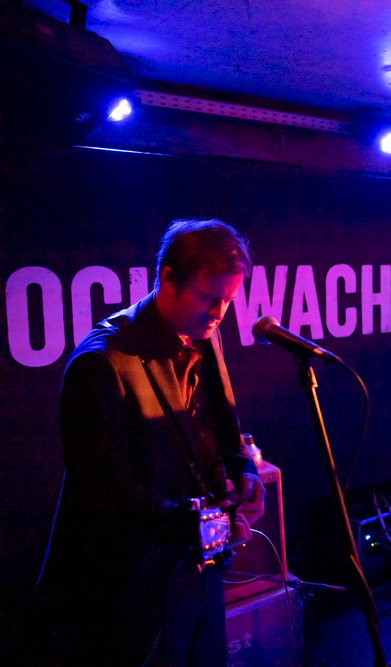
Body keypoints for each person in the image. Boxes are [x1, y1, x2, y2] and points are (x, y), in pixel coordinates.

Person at [36, 219, 265, 666]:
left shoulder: (205, 333)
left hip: (195, 568)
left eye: (229, 301)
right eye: (210, 298)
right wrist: (200, 528)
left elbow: (223, 421)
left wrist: (244, 469)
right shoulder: (102, 362)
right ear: (167, 279)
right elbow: (105, 495)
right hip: (131, 589)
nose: (220, 313)